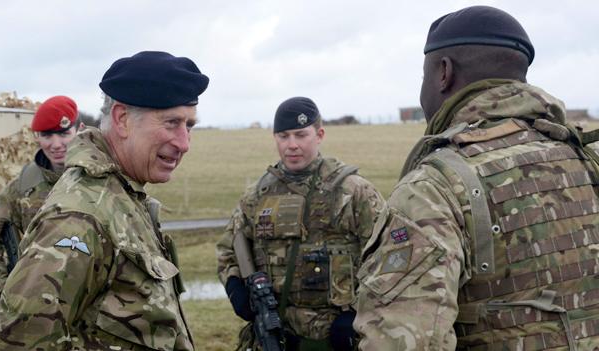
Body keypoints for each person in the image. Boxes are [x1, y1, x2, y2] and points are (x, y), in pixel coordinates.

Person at [354, 5, 599, 350]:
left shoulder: (434, 188)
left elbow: (403, 340)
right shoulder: (586, 160)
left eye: (422, 76)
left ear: (443, 73)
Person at [0, 51, 209, 350]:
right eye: (171, 123)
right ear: (122, 119)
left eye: (189, 126)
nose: (184, 143)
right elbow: (17, 341)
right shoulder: (79, 217)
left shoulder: (122, 195)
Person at [217, 97, 384, 351]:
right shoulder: (257, 196)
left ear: (319, 135)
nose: (292, 145)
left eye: (301, 135)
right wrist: (235, 288)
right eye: (283, 136)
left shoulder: (353, 191)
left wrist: (359, 314)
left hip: (341, 337)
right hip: (276, 335)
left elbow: (388, 258)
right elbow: (229, 250)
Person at [0, 95, 80, 349]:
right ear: (37, 138)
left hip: (92, 316)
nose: (55, 144)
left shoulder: (103, 181)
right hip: (38, 323)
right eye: (46, 135)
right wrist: (7, 289)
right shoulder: (22, 188)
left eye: (63, 133)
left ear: (79, 129)